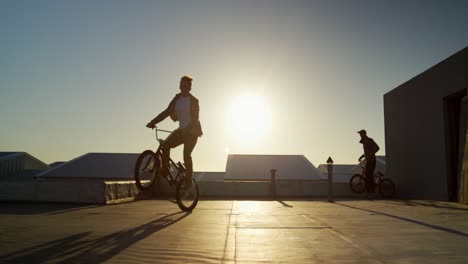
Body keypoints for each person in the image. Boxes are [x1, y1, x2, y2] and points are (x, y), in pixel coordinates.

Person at [146, 75, 203, 187]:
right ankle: (166, 170)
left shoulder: (194, 101)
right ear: (179, 86)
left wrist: (188, 129)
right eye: (181, 85)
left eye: (186, 86)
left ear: (190, 88)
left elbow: (195, 119)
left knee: (186, 154)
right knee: (166, 145)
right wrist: (153, 122)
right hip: (181, 131)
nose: (183, 87)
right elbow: (166, 112)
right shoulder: (177, 99)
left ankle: (188, 180)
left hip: (192, 133)